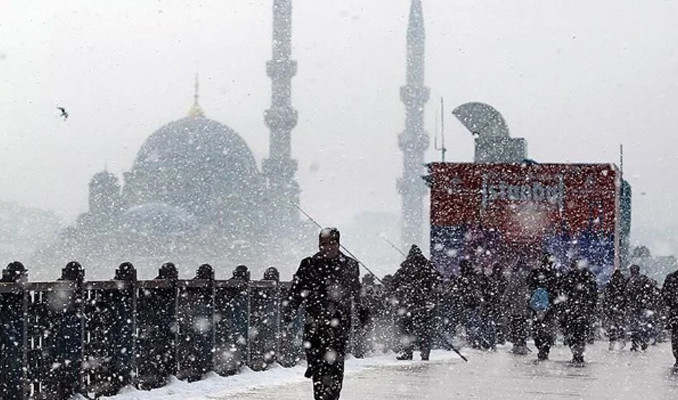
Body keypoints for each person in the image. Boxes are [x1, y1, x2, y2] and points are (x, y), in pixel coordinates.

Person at [283, 227, 364, 400]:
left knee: (334, 367)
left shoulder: (349, 265)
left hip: (338, 325)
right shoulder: (309, 264)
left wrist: (362, 310)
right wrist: (289, 310)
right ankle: (318, 379)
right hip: (314, 325)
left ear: (338, 244)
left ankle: (330, 394)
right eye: (323, 244)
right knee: (318, 367)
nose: (327, 247)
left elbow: (356, 292)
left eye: (331, 243)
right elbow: (296, 292)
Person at [390, 244, 441, 360]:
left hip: (408, 304)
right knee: (425, 330)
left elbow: (393, 283)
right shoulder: (429, 267)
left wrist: (403, 289)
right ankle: (425, 352)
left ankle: (407, 352)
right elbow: (439, 279)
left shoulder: (405, 267)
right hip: (424, 304)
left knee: (407, 329)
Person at [559, 260, 598, 364]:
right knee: (578, 332)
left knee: (575, 332)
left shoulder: (573, 277)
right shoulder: (585, 277)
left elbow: (563, 292)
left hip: (576, 310)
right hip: (578, 310)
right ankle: (578, 352)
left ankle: (577, 352)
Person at [528, 253, 559, 361]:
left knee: (538, 329)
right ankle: (544, 349)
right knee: (545, 330)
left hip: (538, 307)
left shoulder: (536, 273)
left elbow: (530, 287)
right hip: (547, 307)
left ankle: (542, 348)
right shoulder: (553, 274)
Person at [503, 260, 531, 355]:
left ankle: (517, 345)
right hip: (525, 308)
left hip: (516, 308)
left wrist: (505, 302)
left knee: (516, 326)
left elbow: (508, 293)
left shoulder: (515, 278)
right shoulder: (529, 278)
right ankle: (523, 345)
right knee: (523, 326)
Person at [625, 264, 655, 352]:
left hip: (634, 306)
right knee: (643, 325)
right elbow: (650, 290)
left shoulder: (630, 280)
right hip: (643, 306)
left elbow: (626, 293)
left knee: (634, 326)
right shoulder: (644, 279)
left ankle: (635, 344)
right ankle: (643, 342)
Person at [603, 269, 628, 350]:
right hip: (620, 307)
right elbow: (626, 295)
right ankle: (621, 341)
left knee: (612, 326)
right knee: (620, 325)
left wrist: (607, 306)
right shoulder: (624, 283)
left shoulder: (610, 283)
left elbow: (606, 296)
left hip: (612, 307)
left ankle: (612, 342)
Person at [661, 266, 678, 369]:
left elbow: (665, 295)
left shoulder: (671, 278)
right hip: (675, 312)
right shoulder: (671, 278)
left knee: (676, 336)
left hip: (675, 313)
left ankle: (677, 358)